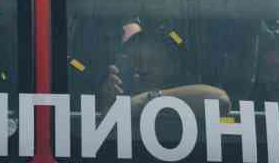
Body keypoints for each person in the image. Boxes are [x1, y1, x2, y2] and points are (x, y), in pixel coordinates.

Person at [98, 28, 230, 117]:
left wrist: (148, 99)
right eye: (135, 61)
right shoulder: (117, 103)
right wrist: (108, 105)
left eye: (152, 61)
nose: (142, 68)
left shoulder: (191, 99)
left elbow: (220, 100)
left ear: (172, 68)